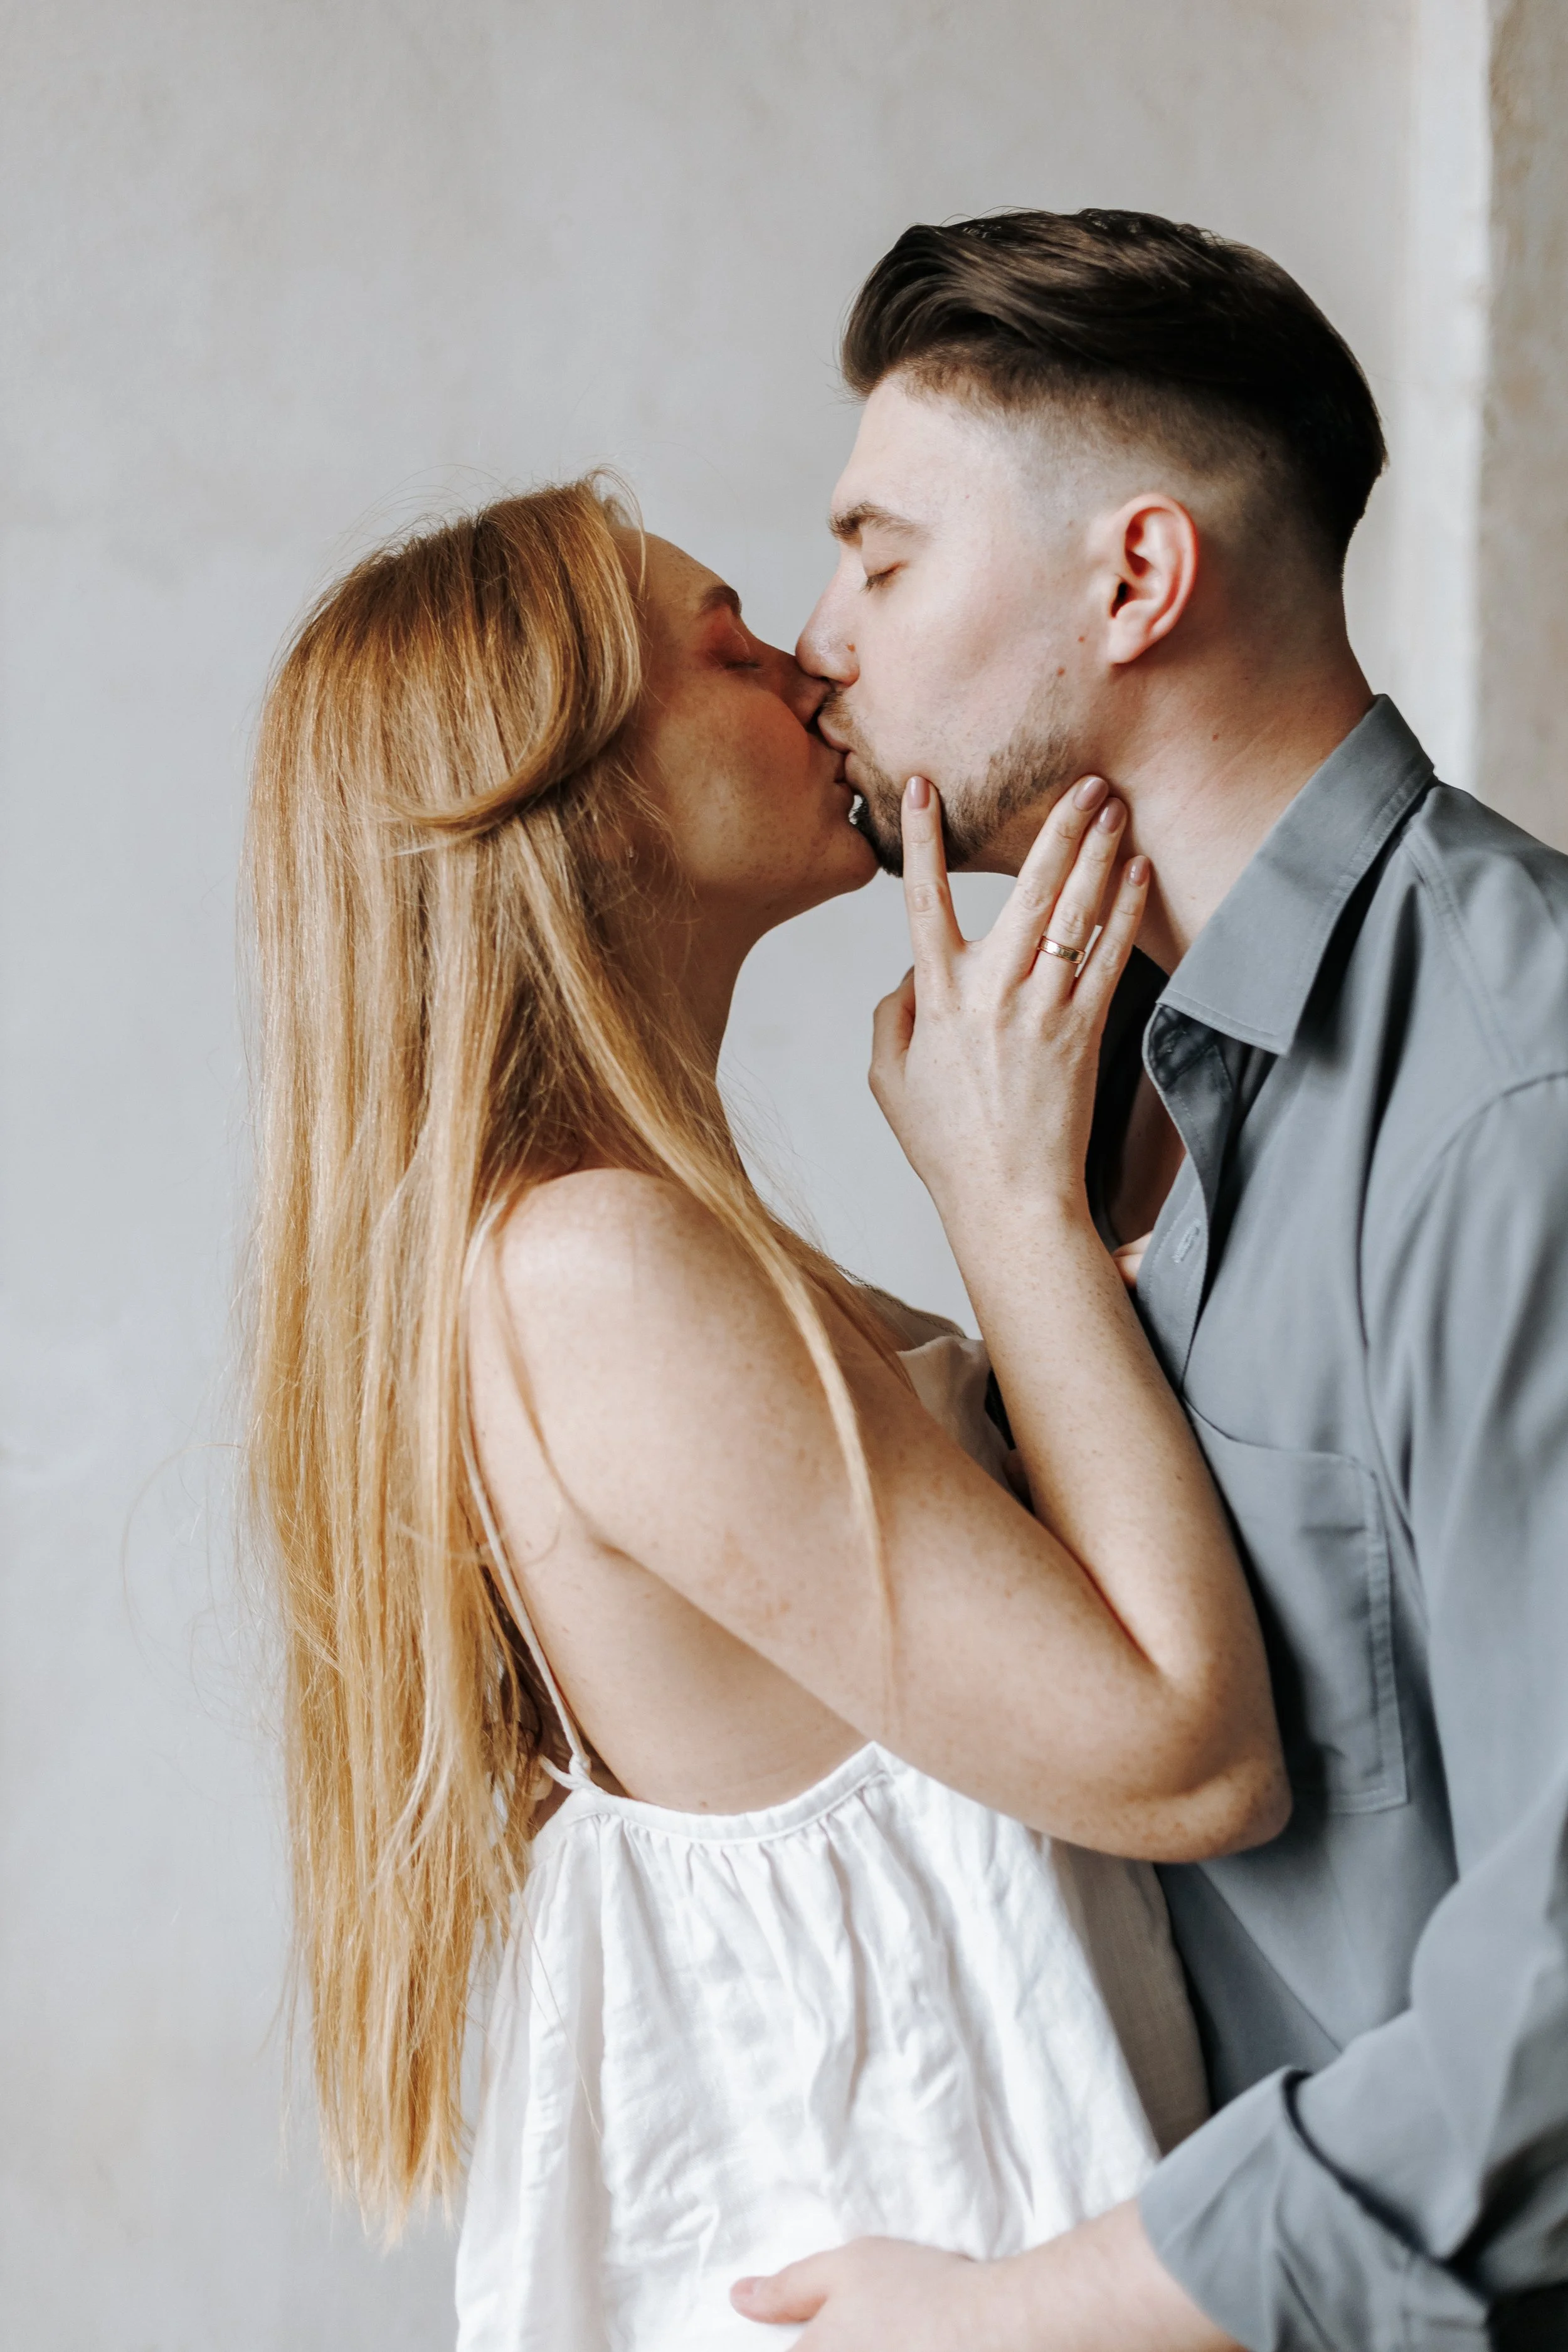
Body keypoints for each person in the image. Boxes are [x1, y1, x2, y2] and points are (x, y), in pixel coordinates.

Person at [243, 485, 1286, 2350]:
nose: (814, 662)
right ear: (569, 794)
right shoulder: (593, 1272)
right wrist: (1005, 1205)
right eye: (725, 646)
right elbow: (1185, 1759)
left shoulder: (629, 1241)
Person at [732, 210, 1568, 2351]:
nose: (816, 640)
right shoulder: (1064, 1072)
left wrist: (1033, 2306)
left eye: (883, 558)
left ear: (1135, 578)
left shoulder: (1514, 1096)